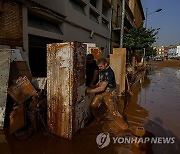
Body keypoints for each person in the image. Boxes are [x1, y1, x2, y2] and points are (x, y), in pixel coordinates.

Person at [86, 58, 128, 130]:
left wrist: (89, 91)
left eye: (100, 66)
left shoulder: (109, 73)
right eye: (98, 67)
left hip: (109, 92)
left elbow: (102, 88)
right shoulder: (102, 70)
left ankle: (124, 127)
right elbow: (100, 81)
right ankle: (98, 118)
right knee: (93, 105)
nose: (99, 68)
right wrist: (95, 85)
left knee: (113, 111)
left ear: (106, 64)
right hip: (101, 92)